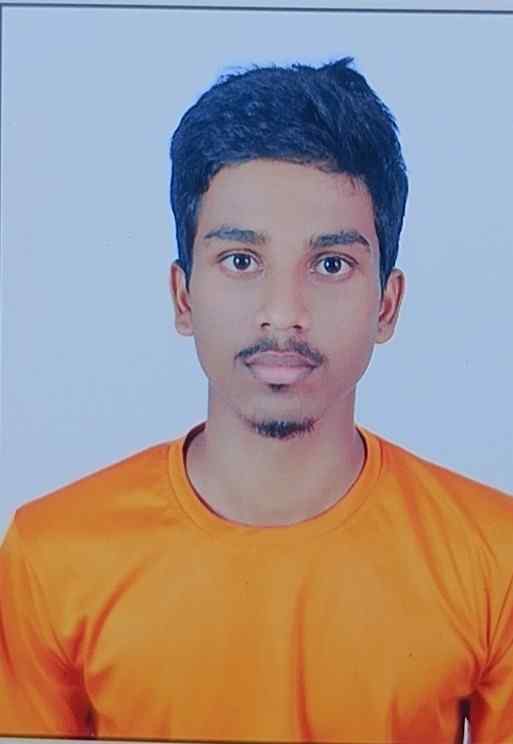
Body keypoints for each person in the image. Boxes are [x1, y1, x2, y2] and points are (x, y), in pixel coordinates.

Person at [1, 55, 512, 744]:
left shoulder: (495, 557)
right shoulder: (50, 555)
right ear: (183, 296)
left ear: (386, 304)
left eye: (330, 264)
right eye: (241, 260)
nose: (283, 313)